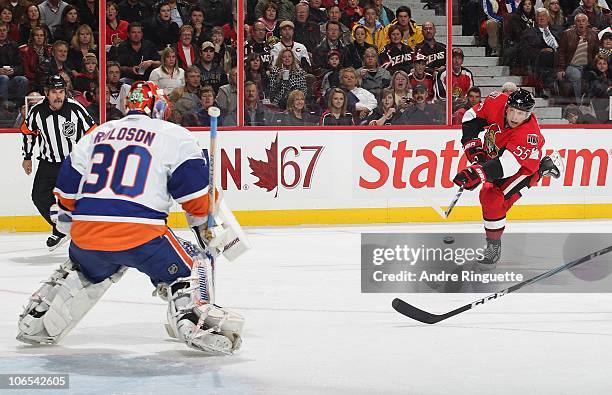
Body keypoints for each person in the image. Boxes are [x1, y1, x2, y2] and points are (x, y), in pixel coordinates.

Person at [17, 80, 247, 356]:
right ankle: (191, 319)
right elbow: (197, 201)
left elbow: (66, 194)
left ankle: (38, 319)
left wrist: (70, 227)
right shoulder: (174, 135)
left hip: (87, 234)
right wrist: (208, 230)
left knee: (85, 266)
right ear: (160, 107)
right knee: (193, 260)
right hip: (141, 236)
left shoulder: (97, 134)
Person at [453, 89, 559, 269]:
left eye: (521, 113)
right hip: (497, 156)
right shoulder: (495, 101)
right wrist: (474, 151)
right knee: (491, 197)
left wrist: (477, 173)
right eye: (512, 111)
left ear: (529, 114)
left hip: (522, 166)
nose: (515, 117)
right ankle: (544, 168)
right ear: (506, 107)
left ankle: (539, 171)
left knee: (492, 197)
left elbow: (507, 166)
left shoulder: (528, 134)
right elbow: (470, 117)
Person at [20, 75, 96, 250]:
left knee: (81, 199)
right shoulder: (36, 111)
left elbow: (92, 133)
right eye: (54, 92)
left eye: (61, 91)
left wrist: (90, 158)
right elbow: (28, 132)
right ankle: (60, 229)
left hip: (73, 163)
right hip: (48, 163)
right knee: (39, 197)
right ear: (46, 93)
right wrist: (27, 156)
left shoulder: (75, 109)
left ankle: (88, 234)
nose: (58, 96)